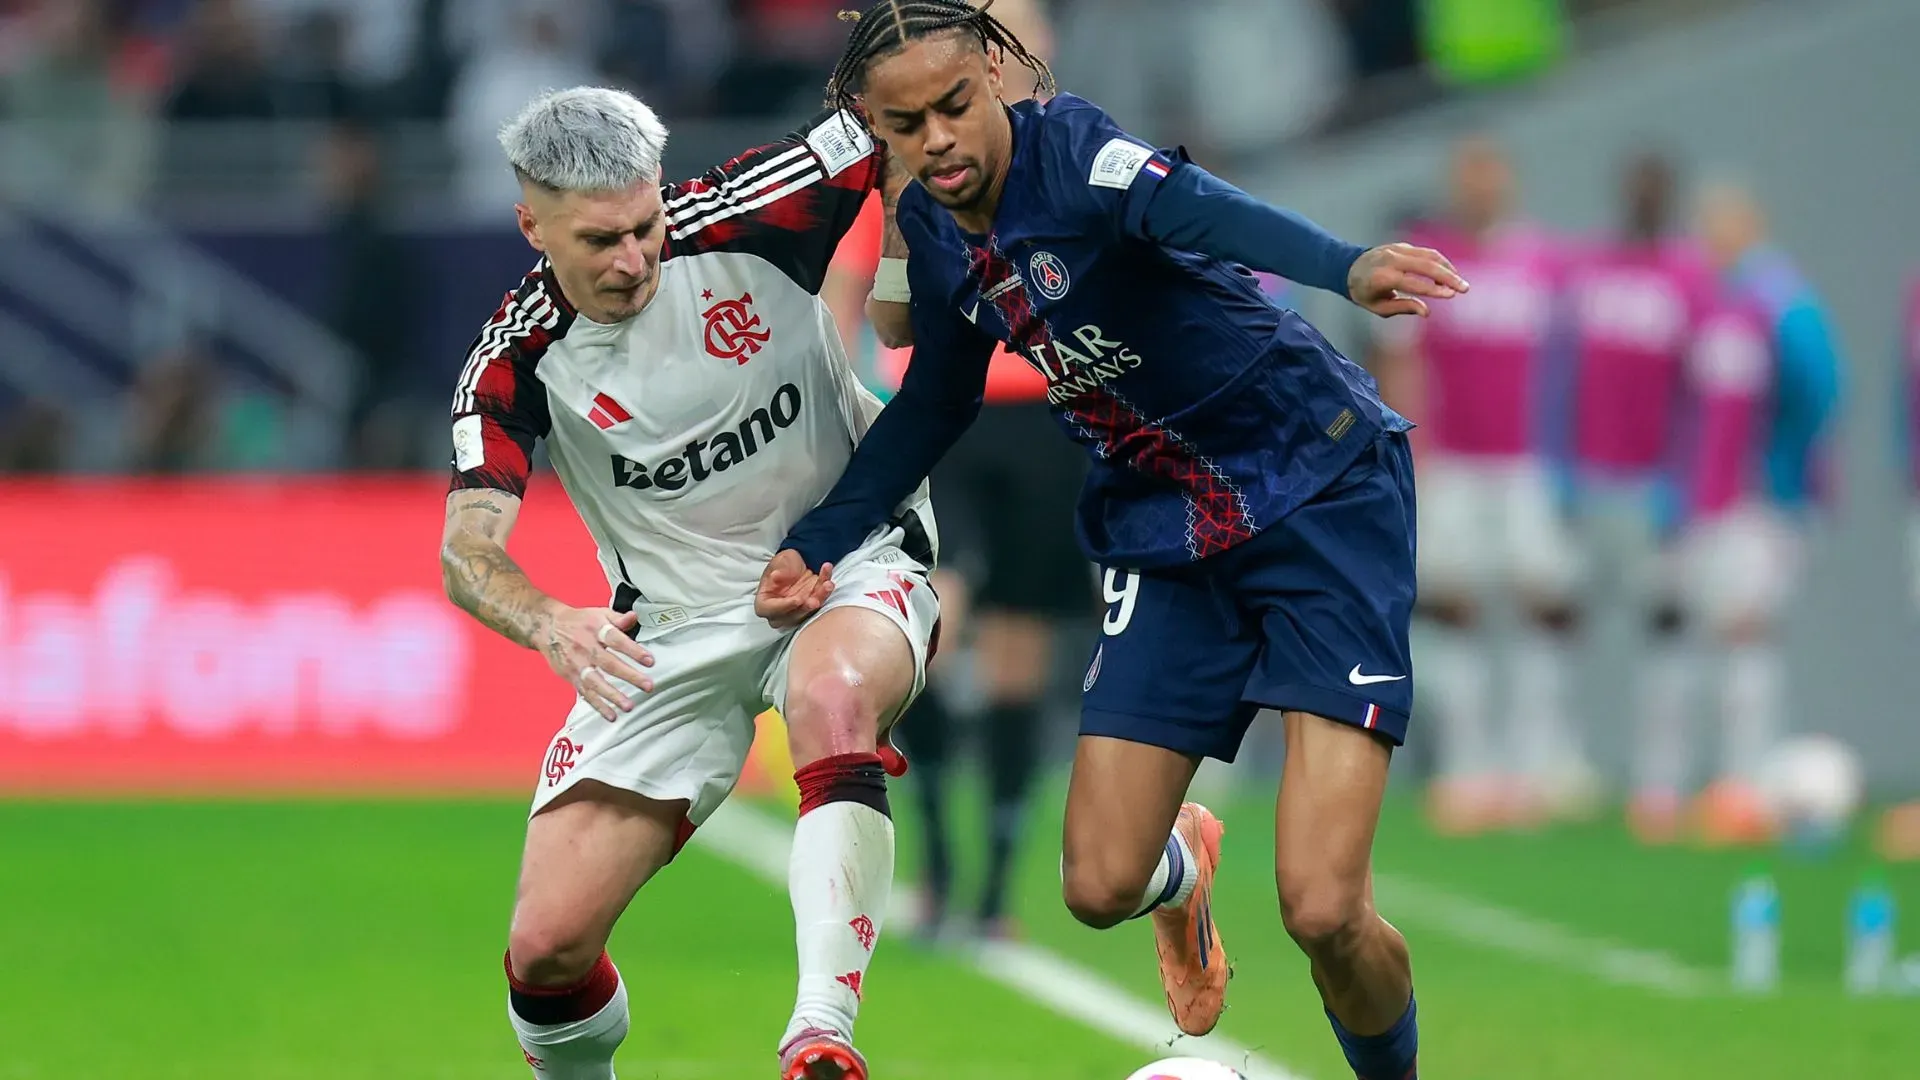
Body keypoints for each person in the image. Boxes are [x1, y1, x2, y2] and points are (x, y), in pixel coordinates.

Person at [756, 4, 1464, 1077]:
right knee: (1095, 886)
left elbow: (1209, 213)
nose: (940, 137)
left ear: (996, 78)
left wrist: (1348, 264)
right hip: (1163, 523)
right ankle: (1182, 871)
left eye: (955, 104)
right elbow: (931, 404)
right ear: (879, 132)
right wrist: (823, 536)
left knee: (1324, 910)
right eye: (909, 124)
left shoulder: (1075, 150)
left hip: (1316, 487)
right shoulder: (938, 241)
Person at [438, 86, 941, 1080]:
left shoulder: (758, 209)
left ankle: (820, 1036)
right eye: (599, 241)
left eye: (644, 225)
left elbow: (902, 110)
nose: (633, 260)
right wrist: (549, 623)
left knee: (832, 693)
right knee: (545, 953)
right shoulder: (514, 361)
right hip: (671, 628)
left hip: (849, 559)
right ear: (530, 225)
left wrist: (900, 259)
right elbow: (467, 552)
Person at [822, 0, 1083, 943]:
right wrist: (851, 402)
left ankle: (992, 891)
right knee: (937, 615)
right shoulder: (917, 156)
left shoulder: (1066, 156)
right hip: (944, 417)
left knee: (1019, 643)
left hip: (1053, 419)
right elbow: (848, 292)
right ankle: (932, 866)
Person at [1372, 136, 1585, 833]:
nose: (1480, 187)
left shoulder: (1547, 265)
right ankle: (1468, 767)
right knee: (1451, 608)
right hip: (1453, 464)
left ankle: (1537, 763)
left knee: (1539, 607)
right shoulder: (1425, 257)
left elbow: (1573, 369)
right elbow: (1400, 359)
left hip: (1528, 465)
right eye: (1469, 175)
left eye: (1491, 174)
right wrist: (1414, 455)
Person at [1548, 152, 1720, 841]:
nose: (1643, 198)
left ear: (1668, 196)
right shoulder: (1586, 270)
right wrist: (1557, 465)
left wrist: (1688, 481)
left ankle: (1661, 778)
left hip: (1657, 485)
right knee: (1562, 621)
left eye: (1655, 187)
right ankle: (1562, 764)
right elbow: (1557, 374)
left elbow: (1706, 391)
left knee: (1665, 626)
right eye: (1635, 185)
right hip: (1589, 479)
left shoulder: (1691, 280)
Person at [1679, 182, 1842, 843]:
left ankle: (1748, 783)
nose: (1707, 237)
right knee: (1732, 635)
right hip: (1727, 499)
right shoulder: (1721, 300)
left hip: (1765, 500)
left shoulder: (1780, 300)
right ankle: (1741, 780)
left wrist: (1783, 466)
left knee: (1749, 632)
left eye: (1718, 225)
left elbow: (1821, 386)